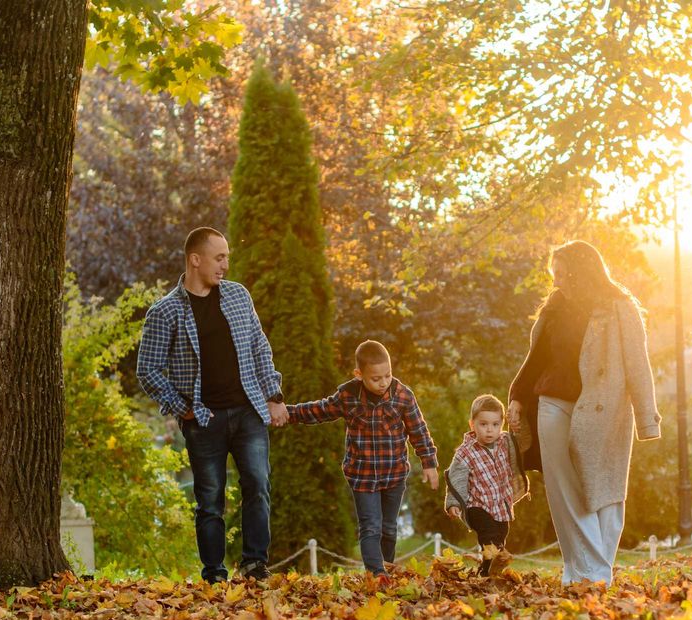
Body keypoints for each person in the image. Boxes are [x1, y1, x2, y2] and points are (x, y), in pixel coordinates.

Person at [137, 227, 289, 584]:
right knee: (210, 500)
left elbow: (259, 348)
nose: (225, 265)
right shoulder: (165, 312)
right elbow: (147, 369)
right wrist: (180, 406)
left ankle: (255, 564)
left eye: (227, 257)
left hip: (249, 410)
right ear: (195, 259)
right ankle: (214, 574)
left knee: (258, 485)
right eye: (219, 258)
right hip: (203, 420)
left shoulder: (238, 296)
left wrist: (274, 396)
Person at [508, 240, 661, 585]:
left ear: (580, 271)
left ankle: (587, 572)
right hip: (552, 403)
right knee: (564, 489)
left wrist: (647, 418)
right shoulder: (554, 307)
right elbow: (535, 359)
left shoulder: (620, 306)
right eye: (554, 275)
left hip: (603, 410)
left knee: (606, 490)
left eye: (561, 274)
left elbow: (639, 364)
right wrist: (518, 396)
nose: (556, 282)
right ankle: (590, 574)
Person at [285, 340, 439, 579]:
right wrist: (287, 413)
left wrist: (429, 463)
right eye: (376, 378)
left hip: (394, 474)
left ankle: (386, 568)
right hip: (362, 476)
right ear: (359, 375)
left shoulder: (402, 395)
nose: (383, 382)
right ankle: (376, 575)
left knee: (388, 527)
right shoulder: (348, 395)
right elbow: (319, 410)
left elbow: (418, 430)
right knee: (370, 527)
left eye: (387, 375)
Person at [444, 394, 529, 576]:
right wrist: (453, 503)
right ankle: (490, 569)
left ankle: (486, 572)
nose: (489, 430)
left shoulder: (506, 442)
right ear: (472, 425)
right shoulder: (465, 452)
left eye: (495, 424)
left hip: (500, 505)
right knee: (489, 536)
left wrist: (519, 420)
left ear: (502, 425)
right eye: (483, 424)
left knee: (499, 537)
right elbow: (456, 478)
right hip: (478, 505)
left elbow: (524, 441)